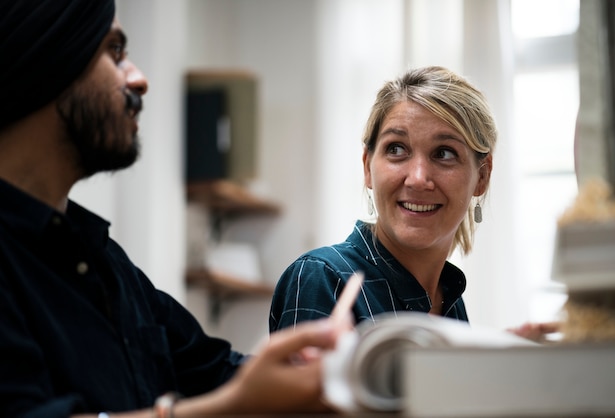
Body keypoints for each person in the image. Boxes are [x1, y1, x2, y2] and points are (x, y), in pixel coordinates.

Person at [0, 1, 345, 417]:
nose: (139, 79)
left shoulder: (105, 262)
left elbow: (214, 369)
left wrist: (319, 375)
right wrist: (233, 405)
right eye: (114, 53)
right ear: (49, 61)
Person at [270, 66, 495, 332]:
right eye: (397, 149)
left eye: (444, 153)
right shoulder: (323, 278)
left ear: (481, 177)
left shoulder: (450, 301)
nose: (418, 178)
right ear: (368, 167)